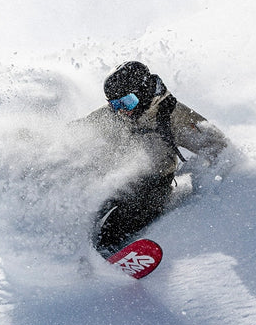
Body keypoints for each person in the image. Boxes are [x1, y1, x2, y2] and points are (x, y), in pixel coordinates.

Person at [79, 61, 234, 257]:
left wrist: (219, 181)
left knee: (122, 220)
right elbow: (79, 131)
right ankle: (82, 248)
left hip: (155, 185)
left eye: (127, 102)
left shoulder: (173, 114)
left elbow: (219, 147)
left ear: (143, 91)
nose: (121, 110)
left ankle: (108, 252)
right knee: (92, 207)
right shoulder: (114, 115)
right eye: (115, 104)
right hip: (118, 177)